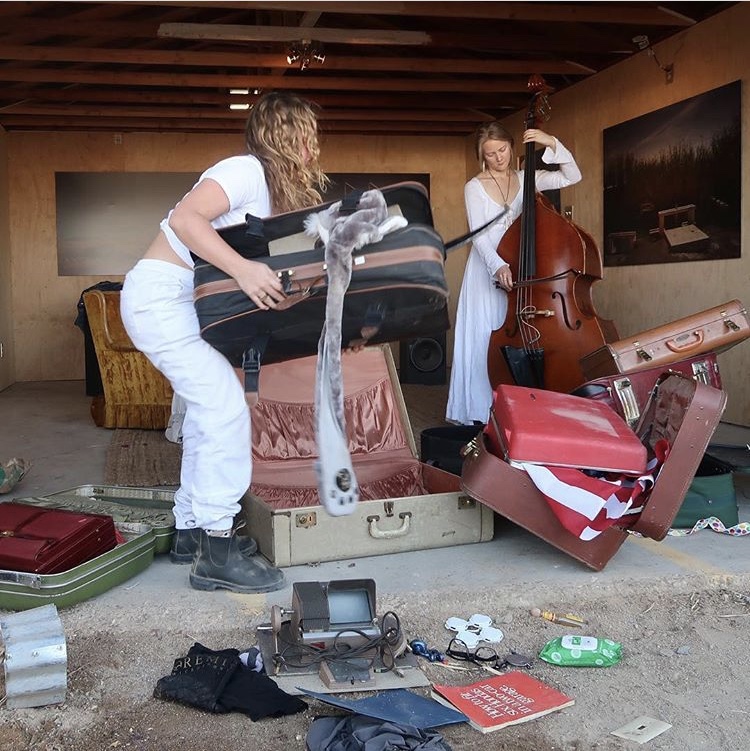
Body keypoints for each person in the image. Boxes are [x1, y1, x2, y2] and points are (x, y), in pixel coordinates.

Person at [120, 91, 328, 593]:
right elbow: (184, 221)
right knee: (224, 410)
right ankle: (218, 544)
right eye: (310, 136)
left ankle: (191, 532)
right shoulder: (244, 170)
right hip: (161, 297)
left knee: (203, 413)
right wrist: (243, 268)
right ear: (291, 134)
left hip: (185, 302)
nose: (314, 148)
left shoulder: (269, 189)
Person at [446, 122, 582, 426]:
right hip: (487, 269)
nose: (498, 158)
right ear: (483, 157)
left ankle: (512, 408)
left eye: (502, 150)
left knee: (516, 335)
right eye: (490, 154)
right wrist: (497, 265)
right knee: (485, 337)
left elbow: (572, 176)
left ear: (511, 145)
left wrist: (550, 141)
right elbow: (478, 237)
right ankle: (480, 413)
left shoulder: (525, 179)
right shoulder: (474, 186)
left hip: (520, 269)